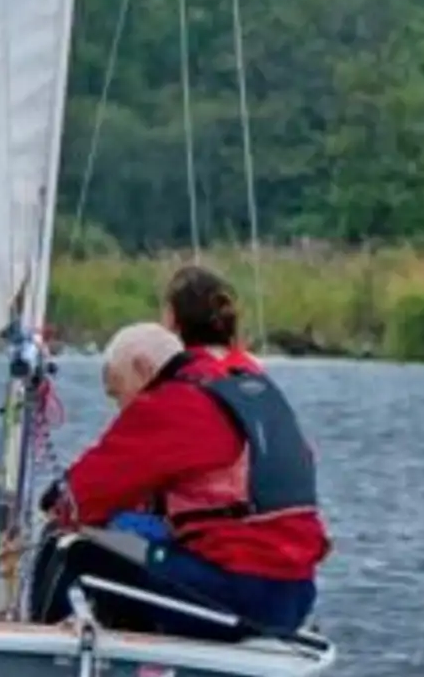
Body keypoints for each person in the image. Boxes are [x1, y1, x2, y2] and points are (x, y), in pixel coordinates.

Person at [28, 263, 330, 638]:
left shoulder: (174, 401)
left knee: (69, 546)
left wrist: (54, 501)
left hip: (239, 592)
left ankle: (42, 659)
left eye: (118, 393)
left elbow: (77, 501)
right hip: (295, 595)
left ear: (142, 367)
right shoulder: (253, 386)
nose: (121, 409)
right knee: (136, 545)